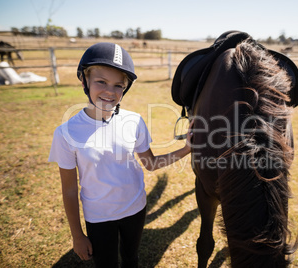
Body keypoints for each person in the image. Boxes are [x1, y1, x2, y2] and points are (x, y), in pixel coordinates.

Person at [48, 42, 193, 267]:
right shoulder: (66, 133)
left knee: (131, 258)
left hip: (135, 208)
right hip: (99, 217)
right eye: (101, 82)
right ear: (84, 80)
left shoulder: (133, 121)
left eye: (118, 85)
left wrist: (187, 149)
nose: (110, 91)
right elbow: (69, 190)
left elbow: (151, 163)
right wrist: (77, 235)